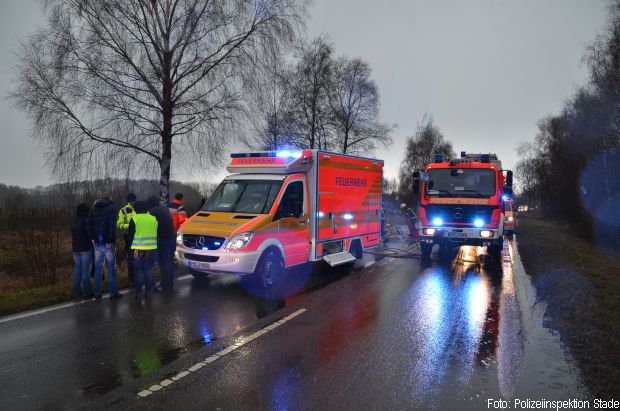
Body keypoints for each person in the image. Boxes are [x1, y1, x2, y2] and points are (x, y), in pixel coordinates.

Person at [87, 192, 122, 300]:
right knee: (111, 269)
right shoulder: (111, 208)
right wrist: (110, 240)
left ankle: (97, 294)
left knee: (98, 269)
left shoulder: (92, 208)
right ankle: (113, 293)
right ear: (109, 198)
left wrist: (92, 238)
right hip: (108, 244)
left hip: (97, 243)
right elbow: (112, 225)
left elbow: (88, 225)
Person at [128, 200, 158, 298]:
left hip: (138, 250)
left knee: (138, 271)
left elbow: (130, 236)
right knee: (148, 270)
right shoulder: (153, 219)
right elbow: (156, 232)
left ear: (136, 209)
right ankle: (148, 292)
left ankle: (138, 293)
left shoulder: (134, 219)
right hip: (151, 248)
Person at [148, 196, 176, 291]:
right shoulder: (165, 208)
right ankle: (170, 281)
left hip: (163, 239)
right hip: (172, 238)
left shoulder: (153, 212)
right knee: (170, 261)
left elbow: (152, 227)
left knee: (163, 263)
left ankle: (164, 285)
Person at [71, 203, 94, 299]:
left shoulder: (74, 221)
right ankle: (87, 292)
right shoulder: (86, 220)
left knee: (77, 270)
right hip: (85, 248)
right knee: (86, 271)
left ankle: (76, 290)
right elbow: (89, 234)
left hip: (75, 249)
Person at [117, 193, 137, 286]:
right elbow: (118, 224)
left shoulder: (139, 208)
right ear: (129, 201)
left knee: (141, 259)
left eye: (134, 200)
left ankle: (140, 279)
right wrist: (129, 226)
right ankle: (131, 280)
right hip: (129, 238)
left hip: (140, 237)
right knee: (131, 260)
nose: (133, 202)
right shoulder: (123, 210)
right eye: (131, 201)